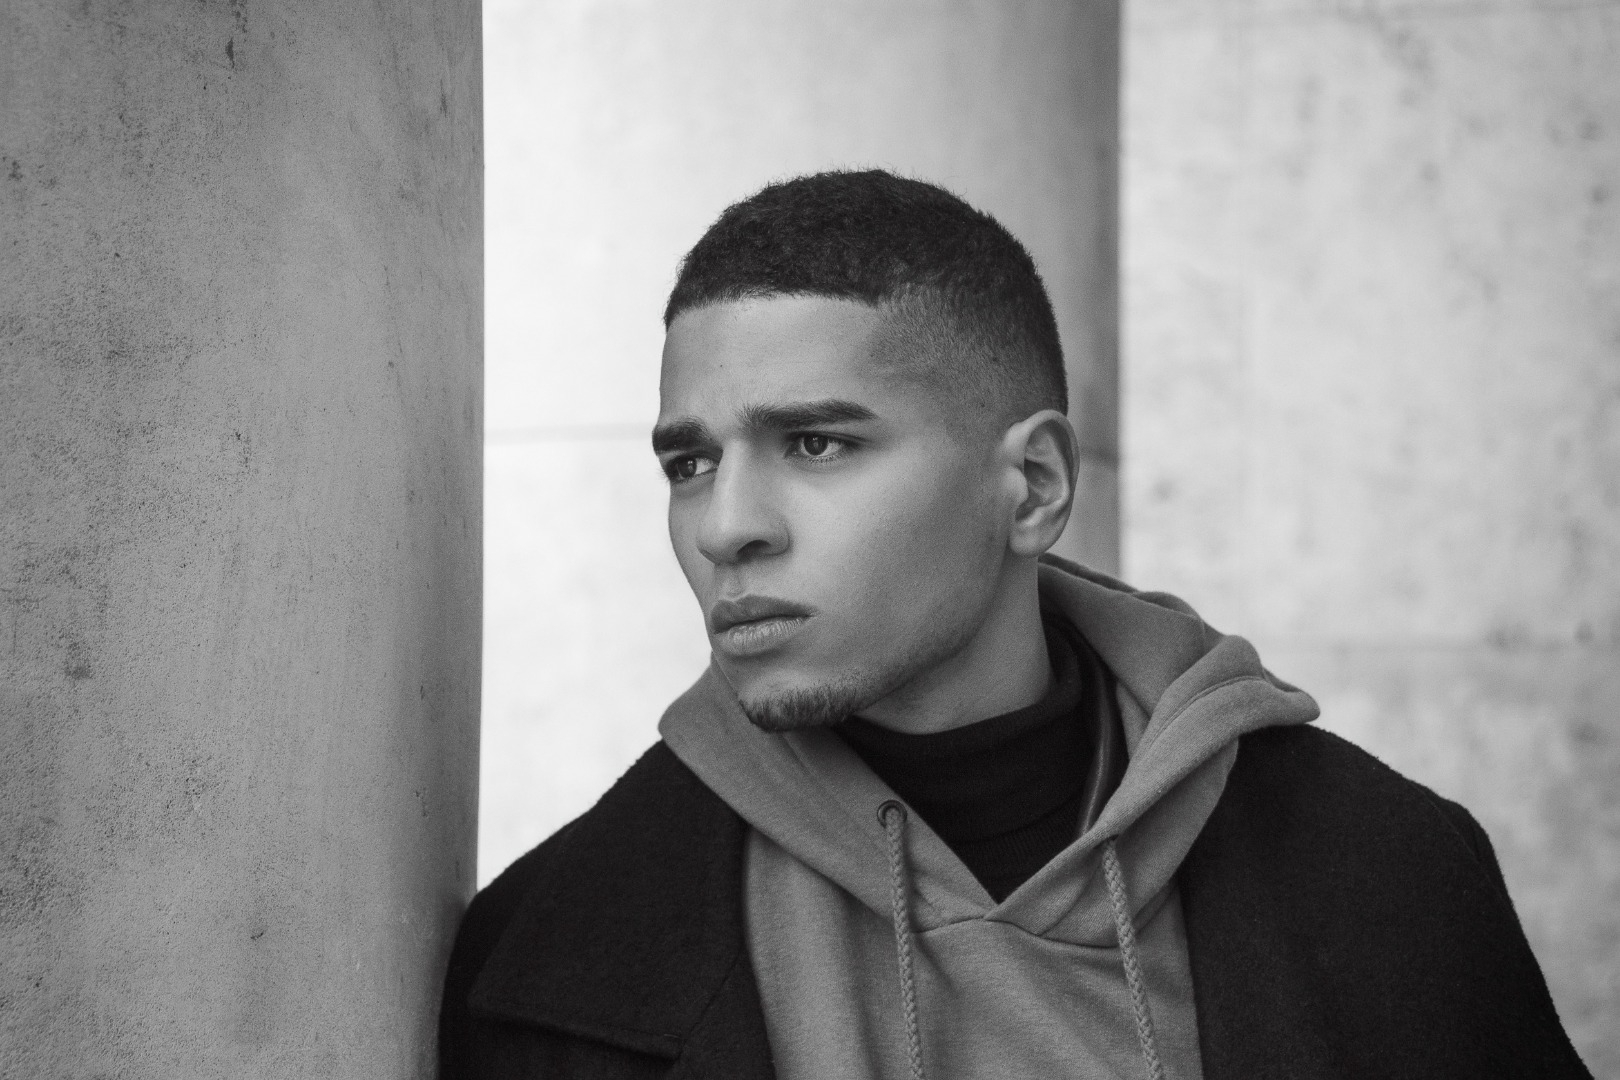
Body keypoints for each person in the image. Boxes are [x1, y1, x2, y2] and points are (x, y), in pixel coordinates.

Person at [440, 170, 1589, 1080]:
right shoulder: (550, 960)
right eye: (691, 463)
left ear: (1033, 486)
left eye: (816, 444)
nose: (726, 526)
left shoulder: (1386, 877)